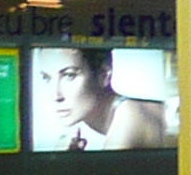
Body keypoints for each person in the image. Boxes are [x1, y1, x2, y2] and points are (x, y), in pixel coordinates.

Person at [39, 48, 169, 150]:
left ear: (104, 75)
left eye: (69, 75)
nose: (56, 96)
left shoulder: (129, 115)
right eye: (47, 78)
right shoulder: (124, 111)